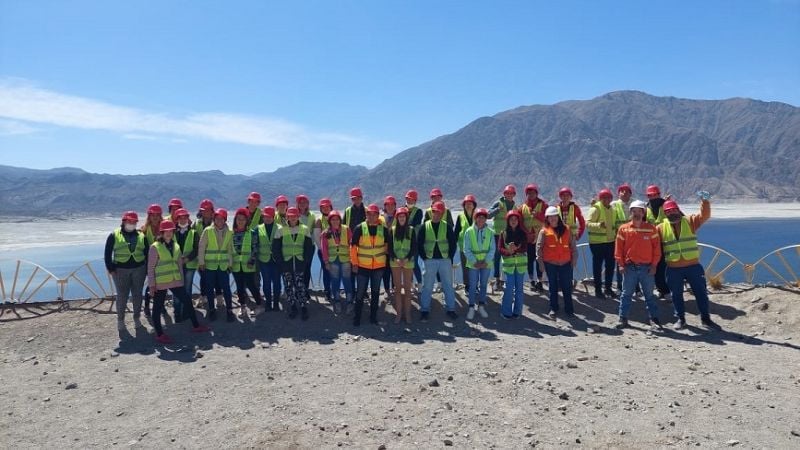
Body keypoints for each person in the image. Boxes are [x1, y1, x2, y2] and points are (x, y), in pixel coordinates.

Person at [657, 195, 721, 330]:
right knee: (676, 295)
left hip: (693, 266)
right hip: (673, 268)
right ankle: (680, 319)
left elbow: (705, 215)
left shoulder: (690, 221)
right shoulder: (661, 228)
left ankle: (706, 319)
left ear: (678, 209)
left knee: (701, 293)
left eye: (673, 210)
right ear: (665, 213)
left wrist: (705, 201)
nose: (671, 213)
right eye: (668, 211)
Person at [146, 220, 210, 344]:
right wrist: (152, 285)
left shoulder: (175, 245)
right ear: (162, 232)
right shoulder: (155, 247)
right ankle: (159, 334)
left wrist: (181, 279)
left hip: (175, 281)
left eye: (171, 231)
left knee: (187, 301)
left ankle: (196, 326)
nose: (169, 233)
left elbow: (179, 264)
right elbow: (150, 268)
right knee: (157, 308)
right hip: (161, 282)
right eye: (166, 231)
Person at [614, 200, 662, 330]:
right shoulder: (624, 229)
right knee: (626, 294)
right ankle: (623, 319)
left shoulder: (651, 229)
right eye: (634, 211)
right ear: (630, 213)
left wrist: (654, 265)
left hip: (647, 268)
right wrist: (621, 264)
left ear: (643, 213)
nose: (636, 214)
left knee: (649, 295)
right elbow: (618, 249)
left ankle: (654, 319)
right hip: (630, 268)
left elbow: (657, 249)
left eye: (639, 211)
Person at [105, 211, 147, 331]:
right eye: (129, 221)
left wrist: (147, 270)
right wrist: (111, 269)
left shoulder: (141, 236)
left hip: (139, 269)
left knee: (137, 295)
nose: (132, 224)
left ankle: (137, 318)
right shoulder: (114, 235)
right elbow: (107, 253)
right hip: (120, 270)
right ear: (123, 222)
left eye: (134, 222)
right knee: (122, 296)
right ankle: (120, 320)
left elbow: (147, 253)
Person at [350, 204, 390, 326]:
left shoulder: (383, 229)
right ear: (366, 215)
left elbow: (387, 247)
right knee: (360, 293)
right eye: (369, 214)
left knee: (375, 292)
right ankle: (357, 317)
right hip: (362, 266)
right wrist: (354, 264)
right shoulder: (359, 228)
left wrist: (385, 264)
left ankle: (373, 317)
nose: (372, 216)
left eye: (374, 214)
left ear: (378, 215)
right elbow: (353, 248)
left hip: (378, 267)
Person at [272, 207, 314, 320]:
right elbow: (276, 249)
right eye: (290, 216)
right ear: (287, 217)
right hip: (286, 263)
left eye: (295, 216)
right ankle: (293, 306)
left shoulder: (304, 229)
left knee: (300, 286)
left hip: (299, 263)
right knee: (289, 286)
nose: (293, 218)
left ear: (298, 217)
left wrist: (305, 261)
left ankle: (303, 306)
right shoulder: (281, 230)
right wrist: (281, 263)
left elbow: (309, 248)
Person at [418, 201, 458, 321]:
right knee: (427, 287)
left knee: (448, 286)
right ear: (431, 212)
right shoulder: (425, 226)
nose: (436, 214)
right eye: (434, 212)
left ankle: (450, 309)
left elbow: (453, 244)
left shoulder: (447, 226)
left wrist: (449, 257)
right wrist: (424, 257)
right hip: (429, 260)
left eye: (439, 212)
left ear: (442, 214)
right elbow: (419, 243)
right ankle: (424, 310)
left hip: (444, 260)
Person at [537, 206, 578, 319]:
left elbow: (573, 246)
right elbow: (539, 248)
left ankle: (569, 310)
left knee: (566, 287)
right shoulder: (544, 232)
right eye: (550, 217)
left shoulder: (567, 229)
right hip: (551, 264)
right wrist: (540, 263)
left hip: (566, 263)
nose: (553, 218)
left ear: (558, 217)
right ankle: (553, 308)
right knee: (553, 287)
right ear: (547, 218)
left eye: (554, 216)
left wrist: (574, 260)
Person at [198, 208, 234, 322]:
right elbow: (202, 247)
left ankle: (229, 310)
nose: (219, 221)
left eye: (222, 219)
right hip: (209, 266)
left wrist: (230, 264)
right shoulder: (208, 231)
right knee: (209, 288)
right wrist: (201, 262)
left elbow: (230, 249)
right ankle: (212, 309)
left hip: (223, 266)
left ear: (225, 220)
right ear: (214, 219)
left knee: (226, 289)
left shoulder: (229, 232)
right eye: (217, 218)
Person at [462, 208, 495, 320]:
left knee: (484, 285)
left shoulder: (490, 232)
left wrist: (486, 262)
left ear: (486, 219)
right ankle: (471, 307)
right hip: (473, 264)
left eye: (483, 217)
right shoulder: (469, 231)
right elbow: (466, 249)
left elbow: (492, 249)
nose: (481, 219)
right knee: (472, 285)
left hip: (486, 264)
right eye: (479, 217)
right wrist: (475, 262)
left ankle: (481, 305)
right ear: (475, 218)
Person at [320, 210, 353, 315]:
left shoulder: (346, 229)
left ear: (340, 220)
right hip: (333, 261)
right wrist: (326, 262)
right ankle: (337, 301)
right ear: (330, 221)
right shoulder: (325, 233)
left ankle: (349, 301)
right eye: (333, 219)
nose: (335, 221)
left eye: (337, 219)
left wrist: (353, 260)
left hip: (346, 260)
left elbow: (351, 245)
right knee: (335, 281)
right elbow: (324, 249)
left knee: (347, 281)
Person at [231, 208, 262, 318]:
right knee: (239, 287)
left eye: (243, 219)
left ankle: (259, 305)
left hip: (248, 265)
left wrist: (252, 260)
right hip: (236, 265)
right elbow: (230, 250)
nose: (240, 221)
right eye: (238, 219)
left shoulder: (251, 233)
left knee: (251, 285)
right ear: (235, 220)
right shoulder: (232, 234)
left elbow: (255, 248)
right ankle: (242, 306)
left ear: (247, 220)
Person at [388, 207, 417, 324]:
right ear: (397, 218)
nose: (401, 218)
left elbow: (414, 247)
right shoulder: (392, 230)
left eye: (403, 216)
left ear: (406, 218)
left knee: (408, 289)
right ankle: (399, 314)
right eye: (399, 217)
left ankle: (408, 314)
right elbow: (389, 247)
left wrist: (406, 259)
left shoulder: (411, 230)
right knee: (398, 289)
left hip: (407, 262)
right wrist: (396, 259)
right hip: (395, 262)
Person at [587, 188, 617, 299]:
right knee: (598, 267)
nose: (607, 199)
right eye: (604, 197)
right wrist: (599, 225)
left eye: (609, 197)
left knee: (610, 266)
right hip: (597, 243)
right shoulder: (595, 209)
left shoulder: (612, 210)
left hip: (610, 242)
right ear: (600, 198)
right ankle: (598, 290)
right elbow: (588, 224)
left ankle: (608, 288)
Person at [499, 210, 528, 319]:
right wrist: (508, 252)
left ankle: (517, 311)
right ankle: (506, 311)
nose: (513, 221)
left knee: (519, 289)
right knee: (509, 287)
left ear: (518, 221)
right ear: (508, 221)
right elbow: (500, 248)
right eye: (511, 219)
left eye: (515, 219)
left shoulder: (523, 233)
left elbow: (525, 247)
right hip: (509, 266)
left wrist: (516, 249)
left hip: (520, 266)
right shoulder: (503, 233)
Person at [519, 183, 547, 292]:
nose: (531, 194)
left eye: (533, 192)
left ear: (536, 193)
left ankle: (540, 281)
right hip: (528, 239)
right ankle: (531, 281)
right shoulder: (522, 207)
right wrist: (526, 233)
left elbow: (548, 218)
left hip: (540, 238)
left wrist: (537, 215)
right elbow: (520, 222)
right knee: (530, 260)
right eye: (529, 193)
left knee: (540, 260)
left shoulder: (544, 205)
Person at [488, 185, 516, 290]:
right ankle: (497, 279)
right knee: (497, 257)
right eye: (507, 193)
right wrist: (497, 210)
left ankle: (505, 279)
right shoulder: (498, 203)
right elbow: (488, 215)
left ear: (514, 195)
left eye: (511, 193)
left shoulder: (515, 207)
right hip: (497, 235)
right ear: (504, 194)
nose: (509, 195)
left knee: (508, 257)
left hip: (509, 235)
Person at [174, 208, 199, 321]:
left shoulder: (194, 233)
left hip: (189, 266)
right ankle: (177, 313)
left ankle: (186, 312)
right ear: (177, 219)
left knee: (187, 289)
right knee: (176, 289)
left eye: (185, 217)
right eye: (180, 218)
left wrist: (188, 258)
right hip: (175, 266)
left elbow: (196, 249)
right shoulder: (172, 232)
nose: (183, 220)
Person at [646, 185, 670, 298]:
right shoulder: (646, 209)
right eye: (650, 195)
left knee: (668, 269)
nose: (652, 197)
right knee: (655, 268)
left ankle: (668, 290)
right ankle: (662, 290)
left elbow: (679, 219)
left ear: (659, 194)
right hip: (652, 244)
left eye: (654, 194)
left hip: (667, 242)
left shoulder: (667, 206)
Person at [141, 203, 164, 318]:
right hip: (150, 262)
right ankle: (146, 306)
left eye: (157, 215)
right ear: (149, 216)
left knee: (163, 284)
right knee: (152, 284)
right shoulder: (144, 230)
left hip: (163, 262)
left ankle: (161, 306)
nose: (155, 217)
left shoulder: (164, 228)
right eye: (152, 215)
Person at [256, 206, 282, 311]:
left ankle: (275, 303)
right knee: (266, 283)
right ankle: (268, 303)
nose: (267, 219)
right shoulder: (258, 228)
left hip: (276, 260)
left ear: (273, 217)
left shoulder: (280, 228)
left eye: (269, 217)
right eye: (265, 216)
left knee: (277, 282)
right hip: (264, 260)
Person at [611, 183, 634, 292]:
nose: (624, 193)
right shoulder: (614, 204)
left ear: (630, 194)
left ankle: (636, 288)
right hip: (619, 238)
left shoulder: (635, 204)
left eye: (627, 191)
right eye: (622, 191)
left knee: (635, 261)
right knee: (620, 262)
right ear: (619, 194)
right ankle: (620, 286)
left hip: (634, 238)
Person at [454, 194, 476, 296]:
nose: (468, 205)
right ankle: (467, 286)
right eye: (466, 204)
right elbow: (457, 231)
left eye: (470, 203)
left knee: (475, 267)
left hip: (476, 248)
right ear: (464, 205)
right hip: (463, 247)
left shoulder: (477, 215)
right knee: (465, 268)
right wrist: (453, 244)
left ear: (474, 205)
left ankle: (475, 286)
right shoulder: (460, 216)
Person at [404, 189, 424, 291]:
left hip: (414, 242)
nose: (409, 201)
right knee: (407, 264)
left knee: (414, 263)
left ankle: (420, 283)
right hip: (403, 243)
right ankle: (410, 284)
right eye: (408, 199)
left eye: (412, 200)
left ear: (415, 201)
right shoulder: (402, 210)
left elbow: (416, 225)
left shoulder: (418, 212)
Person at [315, 198, 334, 301]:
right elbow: (317, 237)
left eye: (327, 206)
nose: (326, 208)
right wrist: (323, 251)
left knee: (335, 271)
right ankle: (327, 291)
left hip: (335, 251)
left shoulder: (336, 218)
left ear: (331, 207)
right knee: (327, 271)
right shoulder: (319, 220)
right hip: (323, 251)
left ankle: (334, 290)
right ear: (321, 209)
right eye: (323, 207)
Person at [296, 194, 317, 290]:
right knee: (298, 269)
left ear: (308, 204)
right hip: (297, 246)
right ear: (297, 204)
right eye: (300, 202)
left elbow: (314, 230)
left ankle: (305, 290)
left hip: (309, 246)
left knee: (307, 268)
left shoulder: (312, 215)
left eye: (305, 202)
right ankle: (297, 289)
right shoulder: (294, 214)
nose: (302, 204)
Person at [381, 195, 397, 299]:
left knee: (394, 271)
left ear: (395, 205)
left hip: (396, 250)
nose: (390, 207)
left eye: (392, 205)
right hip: (383, 250)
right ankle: (387, 290)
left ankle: (395, 289)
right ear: (385, 206)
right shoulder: (380, 217)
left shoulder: (400, 215)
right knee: (385, 272)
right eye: (388, 205)